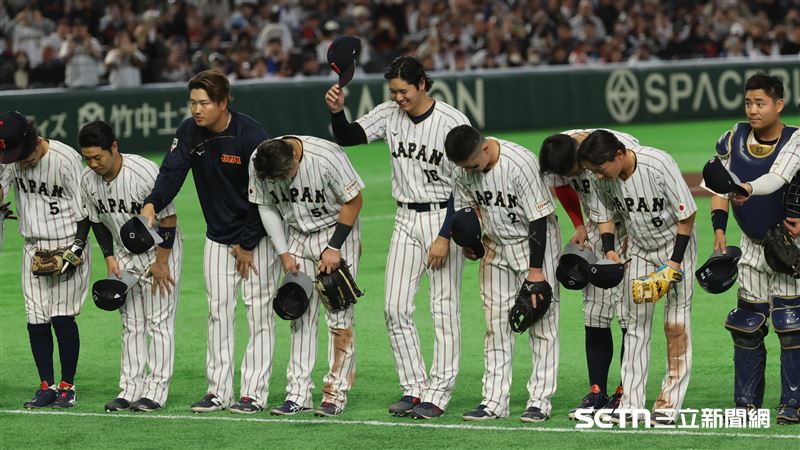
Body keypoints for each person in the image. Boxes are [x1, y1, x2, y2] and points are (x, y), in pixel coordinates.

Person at [324, 56, 468, 419]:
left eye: (404, 90)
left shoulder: (452, 123)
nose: (399, 97)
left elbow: (464, 185)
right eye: (394, 91)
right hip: (405, 217)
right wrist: (338, 112)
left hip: (442, 216)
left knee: (443, 309)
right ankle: (414, 387)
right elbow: (349, 136)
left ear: (422, 84)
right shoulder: (390, 113)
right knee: (394, 307)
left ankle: (439, 391)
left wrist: (445, 234)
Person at [140, 70, 280, 414]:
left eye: (203, 103)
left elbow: (264, 195)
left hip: (255, 238)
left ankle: (253, 394)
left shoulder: (251, 135)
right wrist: (152, 203)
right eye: (192, 102)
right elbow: (171, 172)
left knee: (259, 315)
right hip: (217, 239)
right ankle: (219, 391)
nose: (196, 109)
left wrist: (247, 243)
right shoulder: (190, 132)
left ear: (223, 102)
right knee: (218, 315)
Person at [577, 129, 697, 425]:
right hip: (640, 251)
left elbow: (687, 214)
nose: (600, 177)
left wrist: (674, 264)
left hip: (675, 247)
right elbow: (603, 213)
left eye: (602, 170)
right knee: (635, 325)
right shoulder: (598, 175)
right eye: (594, 171)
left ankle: (668, 405)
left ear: (619, 154)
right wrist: (610, 250)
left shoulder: (658, 163)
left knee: (676, 326)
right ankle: (630, 403)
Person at [445, 124, 561, 423]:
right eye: (463, 167)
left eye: (472, 164)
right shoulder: (462, 167)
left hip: (533, 243)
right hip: (495, 244)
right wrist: (471, 243)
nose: (468, 171)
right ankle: (494, 401)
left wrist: (536, 271)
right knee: (495, 324)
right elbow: (464, 209)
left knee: (542, 325)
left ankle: (540, 401)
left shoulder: (519, 163)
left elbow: (538, 219)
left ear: (485, 148)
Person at [704, 72, 799, 425]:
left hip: (790, 245)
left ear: (778, 104)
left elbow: (777, 178)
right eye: (748, 102)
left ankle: (794, 402)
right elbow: (717, 185)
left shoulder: (796, 140)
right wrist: (718, 231)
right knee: (746, 325)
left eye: (760, 103)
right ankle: (746, 404)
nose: (753, 110)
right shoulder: (733, 137)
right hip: (750, 246)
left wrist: (744, 187)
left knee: (792, 326)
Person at [249, 135, 364, 417]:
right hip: (297, 237)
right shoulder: (260, 160)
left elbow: (354, 201)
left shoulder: (327, 157)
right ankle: (298, 393)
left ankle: (335, 395)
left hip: (336, 232)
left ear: (295, 158)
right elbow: (265, 205)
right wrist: (283, 251)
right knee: (299, 315)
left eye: (286, 175)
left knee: (338, 317)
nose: (282, 182)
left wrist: (334, 247)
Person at [78, 120, 183, 412]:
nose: (93, 163)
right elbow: (97, 221)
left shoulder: (144, 172)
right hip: (124, 253)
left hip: (161, 249)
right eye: (87, 157)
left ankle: (156, 390)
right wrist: (109, 257)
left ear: (114, 147)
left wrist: (162, 262)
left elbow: (169, 219)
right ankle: (130, 388)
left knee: (158, 322)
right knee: (131, 323)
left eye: (97, 156)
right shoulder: (87, 180)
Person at [539, 128, 639, 418]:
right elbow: (562, 187)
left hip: (631, 229)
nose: (574, 174)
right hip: (598, 231)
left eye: (576, 169)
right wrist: (579, 224)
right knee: (595, 313)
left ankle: (626, 390)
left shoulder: (609, 149)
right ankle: (597, 390)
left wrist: (630, 238)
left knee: (628, 314)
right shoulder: (555, 154)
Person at [0, 110, 92, 408]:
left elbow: (86, 208)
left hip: (67, 245)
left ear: (32, 138)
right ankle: (46, 386)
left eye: (20, 153)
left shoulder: (65, 160)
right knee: (36, 319)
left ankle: (67, 386)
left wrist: (77, 247)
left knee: (62, 317)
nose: (18, 160)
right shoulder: (11, 161)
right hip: (32, 247)